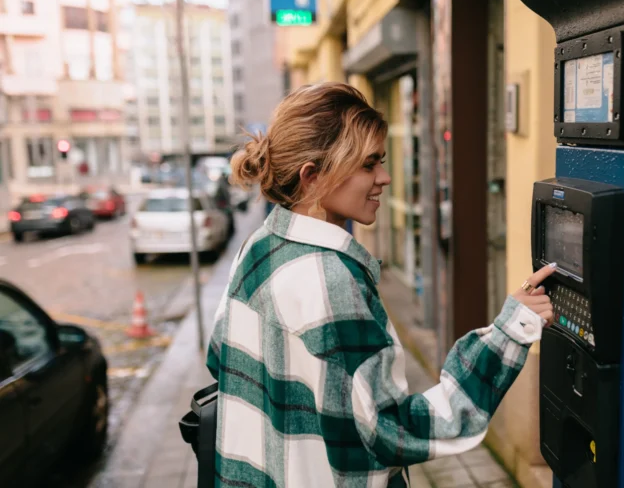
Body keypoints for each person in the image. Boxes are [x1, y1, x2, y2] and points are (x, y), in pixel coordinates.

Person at [206, 82, 555, 487]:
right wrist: (512, 331)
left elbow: (221, 357)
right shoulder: (329, 279)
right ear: (313, 177)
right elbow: (392, 431)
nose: (385, 178)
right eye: (369, 164)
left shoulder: (259, 248)